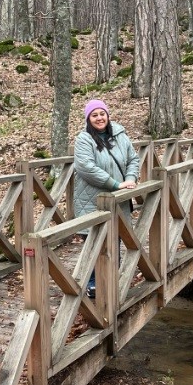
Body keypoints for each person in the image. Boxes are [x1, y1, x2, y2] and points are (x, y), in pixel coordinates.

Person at [73, 99, 140, 297]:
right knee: (95, 242)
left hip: (118, 199)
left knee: (116, 237)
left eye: (102, 113)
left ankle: (113, 280)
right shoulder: (84, 139)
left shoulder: (120, 135)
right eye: (94, 115)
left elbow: (133, 159)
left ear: (108, 115)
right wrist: (115, 184)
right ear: (88, 119)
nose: (99, 118)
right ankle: (93, 284)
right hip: (92, 200)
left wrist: (130, 178)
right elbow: (86, 167)